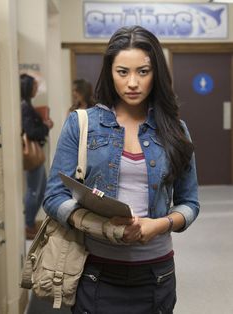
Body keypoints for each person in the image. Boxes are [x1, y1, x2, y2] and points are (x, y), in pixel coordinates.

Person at [43, 25, 199, 314]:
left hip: (157, 274)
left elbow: (190, 203)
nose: (132, 83)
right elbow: (53, 197)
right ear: (109, 72)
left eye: (143, 71)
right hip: (95, 272)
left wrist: (160, 225)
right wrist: (101, 227)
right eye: (122, 72)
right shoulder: (81, 124)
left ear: (157, 74)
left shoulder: (176, 130)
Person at [20, 73, 53, 240]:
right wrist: (45, 126)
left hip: (37, 155)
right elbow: (31, 131)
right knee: (34, 191)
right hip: (33, 155)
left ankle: (30, 223)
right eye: (33, 87)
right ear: (27, 88)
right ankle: (28, 224)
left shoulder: (26, 105)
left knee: (40, 191)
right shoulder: (24, 106)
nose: (36, 89)